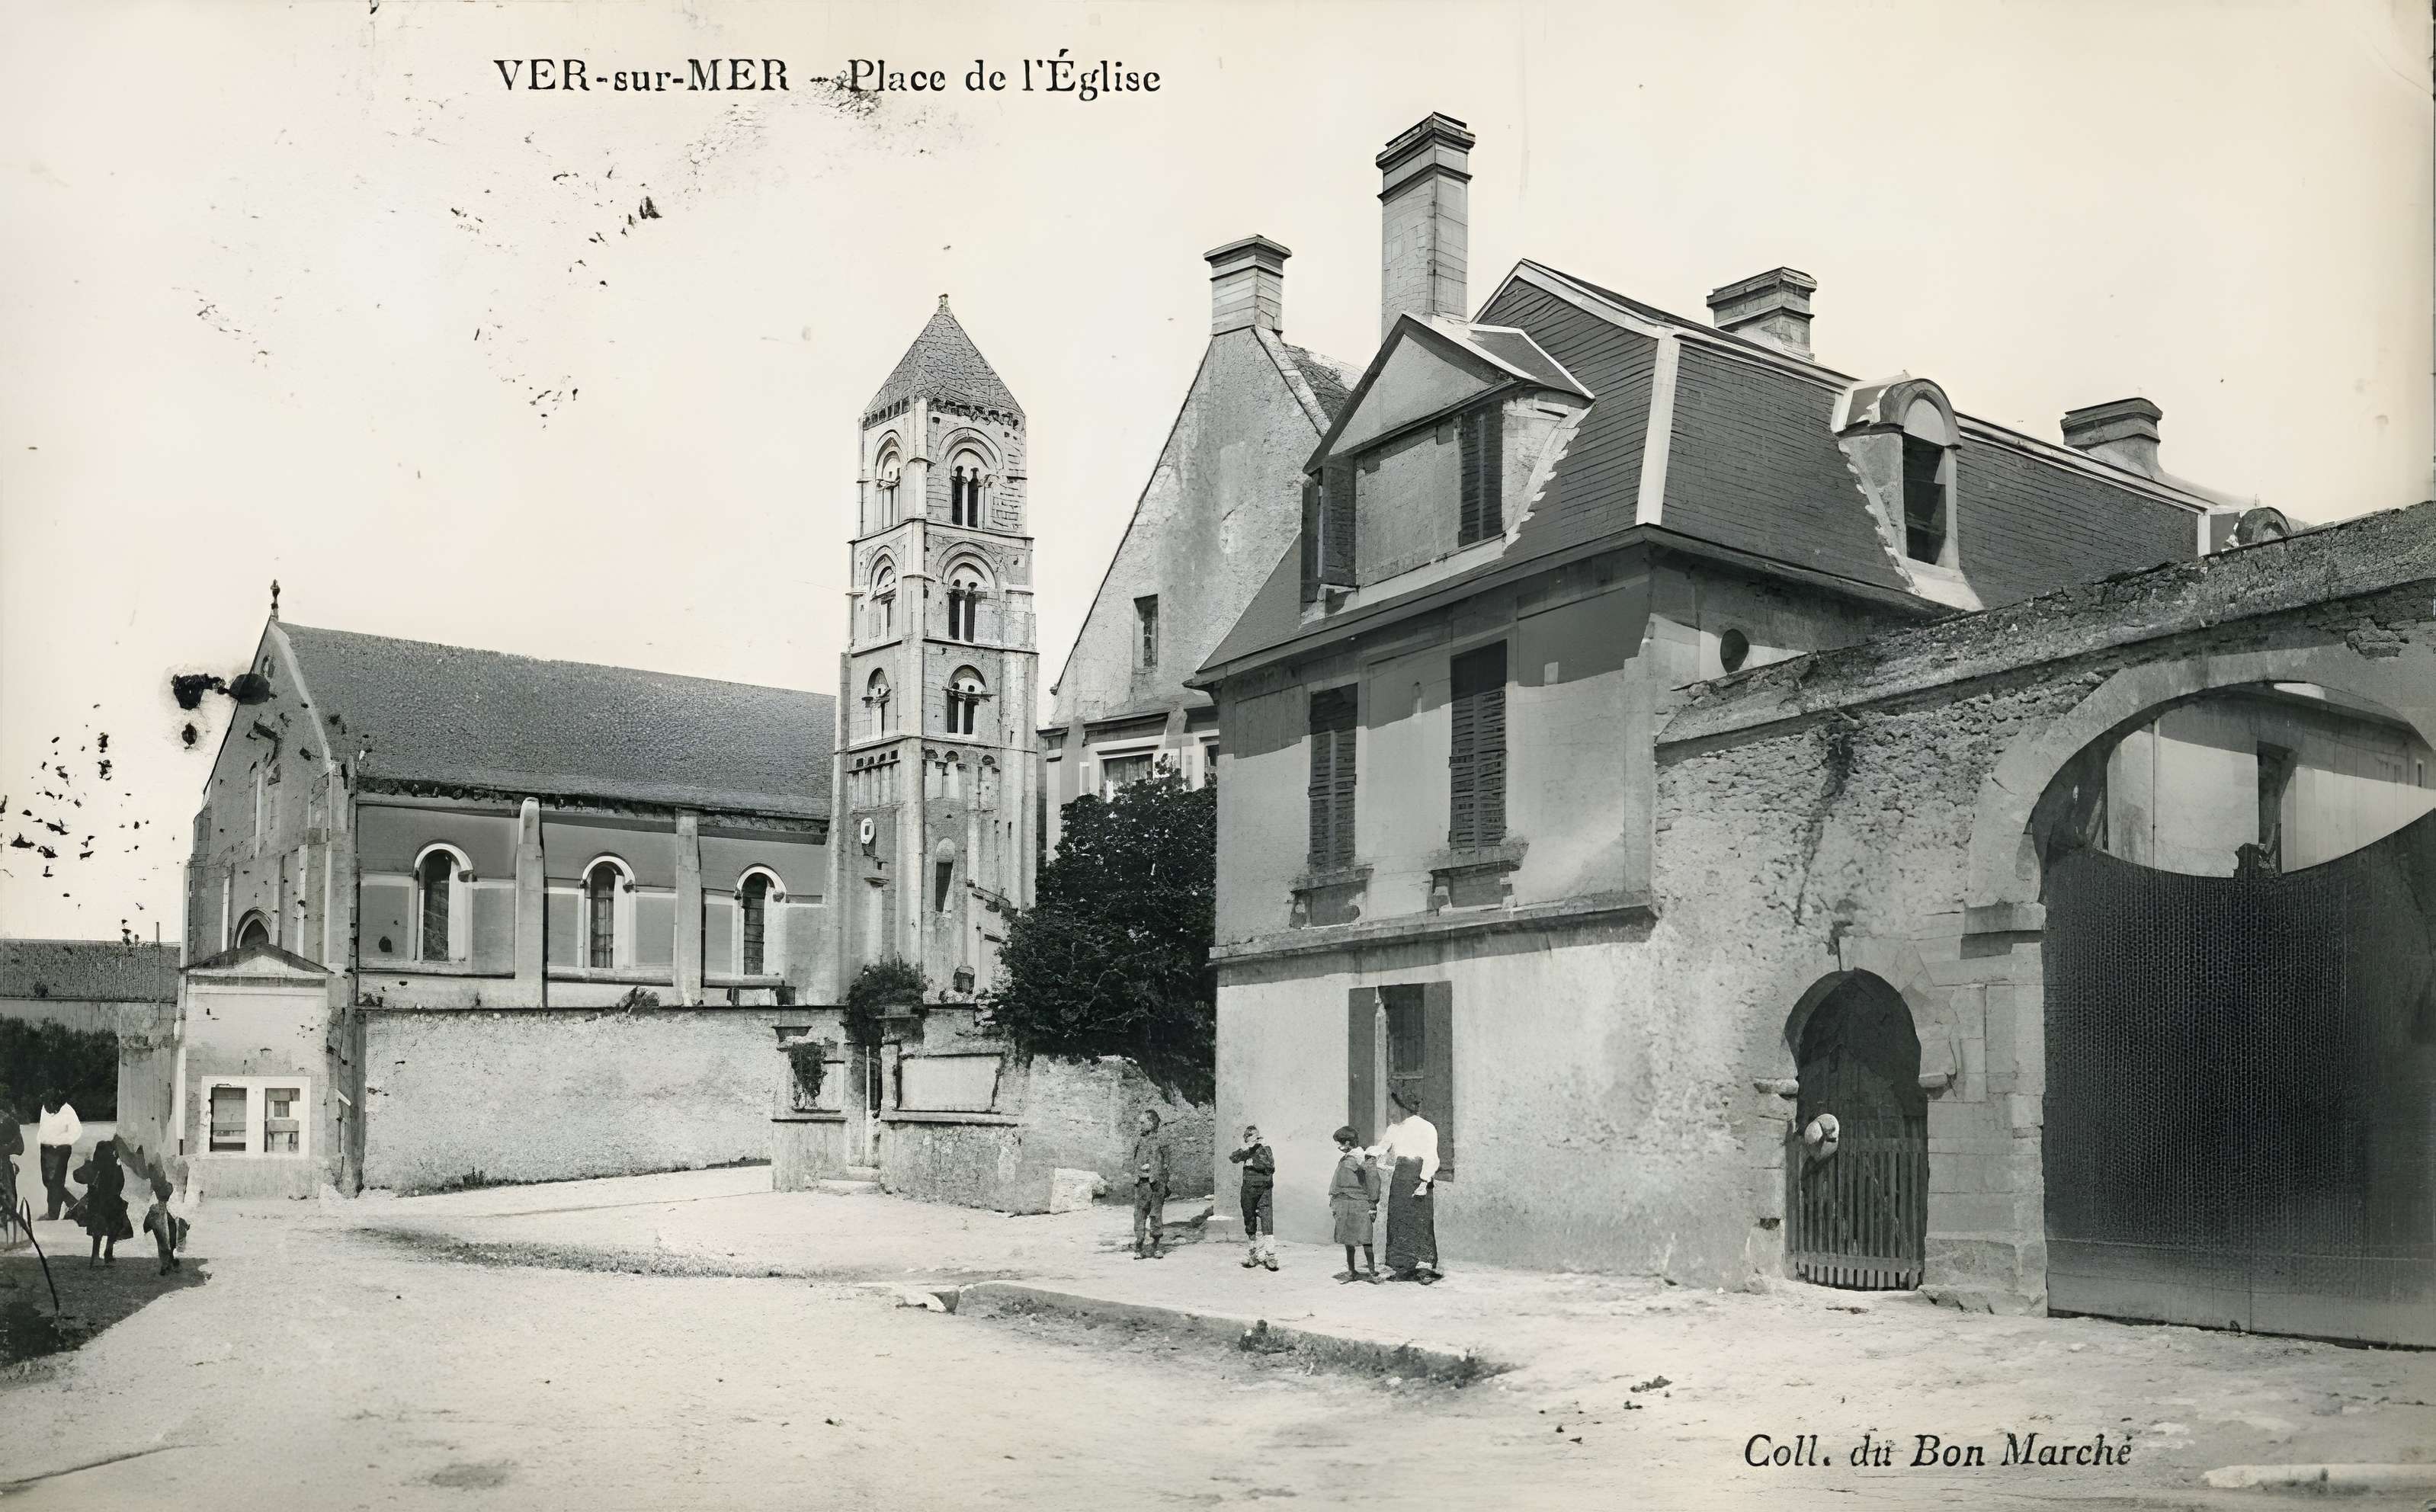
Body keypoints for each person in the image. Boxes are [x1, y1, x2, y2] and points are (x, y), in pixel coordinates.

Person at [1370, 1088, 1444, 1283]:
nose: (1391, 1110)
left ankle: (1424, 1266)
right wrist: (1369, 1153)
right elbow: (1383, 1147)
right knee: (1398, 1219)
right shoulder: (1394, 1128)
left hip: (1418, 1175)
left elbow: (1431, 1157)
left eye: (1394, 1106)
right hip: (1400, 1175)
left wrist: (1424, 1181)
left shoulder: (1427, 1127)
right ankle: (1401, 1266)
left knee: (1420, 1221)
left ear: (1403, 1106)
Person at [1328, 1125, 1381, 1283]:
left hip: (1360, 1203)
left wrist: (1372, 1203)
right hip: (1344, 1203)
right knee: (1348, 1239)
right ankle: (1352, 1272)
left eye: (1341, 1143)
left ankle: (1372, 1272)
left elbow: (1373, 1182)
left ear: (1350, 1142)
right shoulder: (1345, 1158)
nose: (1339, 1146)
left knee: (1366, 1239)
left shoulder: (1363, 1159)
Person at [1228, 1124, 1277, 1272]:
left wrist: (1256, 1157)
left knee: (1267, 1219)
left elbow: (1271, 1166)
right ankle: (1253, 1253)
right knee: (1249, 1219)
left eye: (1256, 1134)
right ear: (1247, 1138)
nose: (1254, 1137)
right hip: (1249, 1189)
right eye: (1250, 1135)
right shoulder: (1246, 1151)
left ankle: (1270, 1255)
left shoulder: (1265, 1148)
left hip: (1264, 1188)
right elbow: (1233, 1158)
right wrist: (1246, 1148)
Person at [78, 1138, 133, 1266]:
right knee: (113, 1229)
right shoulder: (115, 1167)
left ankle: (95, 1256)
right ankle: (108, 1255)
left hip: (96, 1204)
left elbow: (77, 1176)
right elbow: (120, 1183)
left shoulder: (93, 1168)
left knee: (97, 1232)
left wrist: (86, 1163)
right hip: (112, 1204)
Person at [1129, 1108, 1169, 1260]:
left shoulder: (1161, 1141)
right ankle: (1139, 1245)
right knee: (1139, 1214)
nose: (1140, 1126)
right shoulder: (1138, 1141)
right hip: (1141, 1184)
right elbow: (1132, 1159)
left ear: (1152, 1123)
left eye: (1143, 1122)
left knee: (1156, 1214)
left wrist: (1162, 1179)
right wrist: (1138, 1173)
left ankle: (1156, 1245)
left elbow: (1167, 1163)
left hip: (1156, 1183)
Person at [36, 1090, 81, 1222]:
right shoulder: (45, 1109)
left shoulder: (68, 1110)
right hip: (46, 1149)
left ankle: (53, 1214)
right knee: (47, 1181)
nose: (49, 1106)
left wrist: (61, 1142)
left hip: (61, 1150)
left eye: (52, 1103)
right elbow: (42, 1126)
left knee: (56, 1181)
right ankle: (73, 1204)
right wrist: (41, 1140)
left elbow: (76, 1131)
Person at [141, 1174, 187, 1275]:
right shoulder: (157, 1208)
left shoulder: (156, 1208)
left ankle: (167, 1264)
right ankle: (167, 1264)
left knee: (165, 1243)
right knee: (167, 1243)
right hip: (166, 1221)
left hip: (165, 1220)